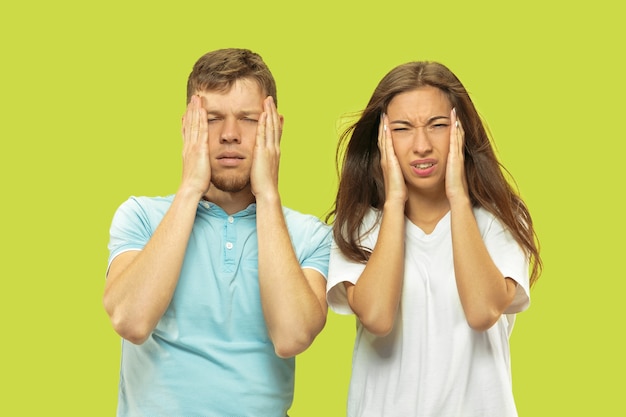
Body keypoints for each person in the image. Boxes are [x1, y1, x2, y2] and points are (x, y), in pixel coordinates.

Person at [103, 48, 331, 417]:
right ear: (187, 127)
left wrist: (268, 195)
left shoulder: (309, 236)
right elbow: (130, 320)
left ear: (275, 127)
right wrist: (190, 189)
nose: (229, 135)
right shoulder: (141, 216)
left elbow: (292, 337)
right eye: (212, 119)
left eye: (248, 119)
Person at [326, 61, 542, 417]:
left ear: (460, 130)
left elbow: (482, 311)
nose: (421, 145)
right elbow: (378, 317)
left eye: (437, 125)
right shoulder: (358, 223)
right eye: (402, 128)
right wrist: (394, 202)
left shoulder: (499, 219)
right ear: (382, 137)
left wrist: (458, 196)